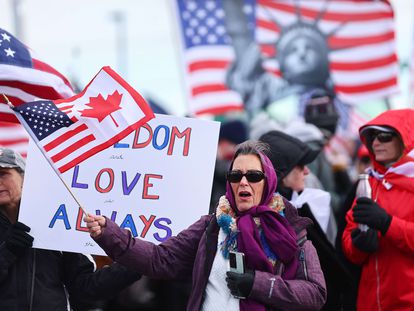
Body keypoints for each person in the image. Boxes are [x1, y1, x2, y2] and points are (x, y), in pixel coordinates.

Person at [85, 140, 327, 310]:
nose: (243, 182)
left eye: (253, 176)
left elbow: (315, 294)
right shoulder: (211, 227)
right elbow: (160, 259)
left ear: (268, 182)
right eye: (235, 176)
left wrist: (257, 284)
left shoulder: (293, 231)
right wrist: (109, 233)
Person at [0, 147, 140, 311]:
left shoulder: (55, 220)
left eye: (3, 174)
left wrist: (135, 262)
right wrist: (7, 252)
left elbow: (85, 288)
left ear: (24, 177)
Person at [259, 130, 354, 310]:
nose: (307, 171)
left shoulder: (299, 205)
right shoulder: (265, 219)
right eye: (300, 165)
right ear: (281, 175)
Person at [342, 108, 414, 310]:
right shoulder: (368, 183)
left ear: (404, 140)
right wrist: (358, 244)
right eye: (372, 136)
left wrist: (387, 224)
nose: (375, 143)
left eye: (384, 136)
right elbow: (348, 242)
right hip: (369, 303)